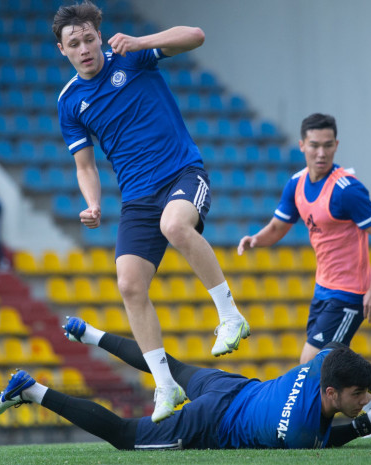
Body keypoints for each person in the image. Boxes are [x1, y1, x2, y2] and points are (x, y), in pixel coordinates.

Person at [52, 1, 249, 422]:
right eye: (75, 43)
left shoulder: (132, 55)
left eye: (89, 38)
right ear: (62, 50)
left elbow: (195, 35)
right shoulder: (69, 102)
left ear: (99, 37)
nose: (84, 48)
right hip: (136, 196)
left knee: (175, 224)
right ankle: (165, 384)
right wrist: (92, 202)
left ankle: (230, 317)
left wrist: (142, 40)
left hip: (182, 173)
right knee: (129, 284)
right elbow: (84, 165)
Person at [0, 316, 371, 449]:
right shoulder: (301, 431)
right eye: (358, 394)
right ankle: (31, 389)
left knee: (169, 365)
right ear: (330, 392)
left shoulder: (324, 366)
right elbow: (326, 443)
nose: (363, 397)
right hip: (211, 419)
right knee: (125, 437)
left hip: (231, 386)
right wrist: (367, 425)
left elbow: (339, 353)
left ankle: (86, 332)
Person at [238, 113, 371, 364]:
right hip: (322, 289)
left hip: (349, 292)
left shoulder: (347, 190)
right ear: (302, 145)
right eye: (314, 145)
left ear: (336, 145)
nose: (321, 153)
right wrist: (256, 239)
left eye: (328, 145)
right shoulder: (296, 184)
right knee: (329, 367)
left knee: (311, 364)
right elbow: (278, 227)